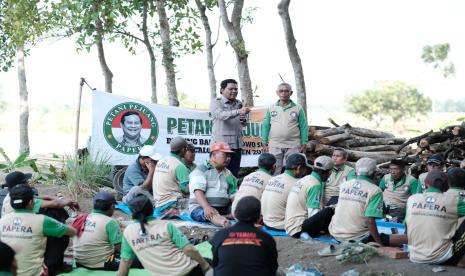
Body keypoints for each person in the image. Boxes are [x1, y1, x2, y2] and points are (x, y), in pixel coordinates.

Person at [117, 194, 210, 276]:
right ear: (151, 209)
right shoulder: (166, 225)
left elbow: (125, 261)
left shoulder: (128, 232)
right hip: (186, 270)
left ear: (132, 213)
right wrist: (205, 267)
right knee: (209, 261)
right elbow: (189, 249)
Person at [0, 185, 77, 276]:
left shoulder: (2, 220)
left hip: (7, 271)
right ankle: (53, 267)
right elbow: (72, 231)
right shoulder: (42, 220)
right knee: (61, 234)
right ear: (31, 202)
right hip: (34, 273)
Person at [329, 158, 407, 246]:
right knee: (405, 239)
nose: (393, 171)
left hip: (334, 233)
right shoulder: (375, 190)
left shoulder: (345, 184)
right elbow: (369, 220)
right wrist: (380, 244)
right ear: (374, 173)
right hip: (356, 237)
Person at [405, 171, 465, 266]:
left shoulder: (412, 199)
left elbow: (407, 226)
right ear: (447, 186)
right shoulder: (454, 201)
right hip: (442, 257)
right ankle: (461, 260)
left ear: (425, 184)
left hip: (414, 255)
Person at [211, 196, 278, 276]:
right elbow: (273, 267)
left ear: (235, 214)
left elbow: (214, 263)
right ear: (259, 218)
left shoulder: (220, 235)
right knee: (280, 273)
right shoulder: (266, 238)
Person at [261, 83, 309, 176]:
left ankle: (291, 189)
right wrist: (264, 142)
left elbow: (303, 126)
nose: (284, 93)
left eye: (286, 91)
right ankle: (274, 189)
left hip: (293, 144)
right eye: (281, 91)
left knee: (293, 169)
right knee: (274, 170)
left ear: (291, 93)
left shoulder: (298, 108)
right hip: (275, 144)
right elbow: (266, 125)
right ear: (277, 93)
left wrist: (304, 142)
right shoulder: (271, 108)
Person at [189, 142, 237, 227]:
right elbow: (198, 191)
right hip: (200, 207)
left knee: (241, 210)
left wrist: (236, 208)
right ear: (214, 156)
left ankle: (223, 217)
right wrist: (206, 207)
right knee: (210, 213)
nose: (228, 158)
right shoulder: (201, 170)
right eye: (225, 155)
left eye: (229, 156)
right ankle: (224, 223)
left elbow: (233, 195)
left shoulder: (228, 174)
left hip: (223, 209)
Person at [285, 156, 334, 238]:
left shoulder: (305, 179)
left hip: (290, 225)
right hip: (299, 230)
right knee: (329, 211)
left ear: (314, 168)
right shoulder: (315, 184)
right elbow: (313, 213)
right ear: (329, 172)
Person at [210, 79, 250, 177]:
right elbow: (221, 115)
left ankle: (232, 192)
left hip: (237, 146)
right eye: (231, 89)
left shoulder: (239, 103)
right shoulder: (216, 102)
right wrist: (238, 112)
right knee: (217, 175)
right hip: (221, 146)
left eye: (236, 89)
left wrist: (244, 120)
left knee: (233, 175)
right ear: (222, 90)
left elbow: (244, 123)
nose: (234, 91)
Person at [261, 153, 310, 231]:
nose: (305, 171)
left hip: (266, 222)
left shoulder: (273, 179)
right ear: (298, 168)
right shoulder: (297, 184)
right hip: (280, 225)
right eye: (305, 169)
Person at [74, 192, 122, 270]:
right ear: (112, 206)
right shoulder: (110, 222)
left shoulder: (82, 218)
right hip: (102, 263)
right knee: (135, 259)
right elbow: (120, 249)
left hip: (79, 262)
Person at [1, 171, 79, 217]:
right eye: (26, 182)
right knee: (54, 210)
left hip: (8, 230)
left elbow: (38, 197)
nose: (28, 183)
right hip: (21, 230)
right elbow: (56, 204)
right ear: (22, 184)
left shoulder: (11, 195)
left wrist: (59, 199)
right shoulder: (25, 199)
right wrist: (67, 202)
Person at [152, 136, 191, 218]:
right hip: (171, 202)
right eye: (186, 149)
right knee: (196, 203)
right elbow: (187, 190)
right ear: (183, 150)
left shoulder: (161, 161)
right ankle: (174, 211)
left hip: (158, 204)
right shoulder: (179, 166)